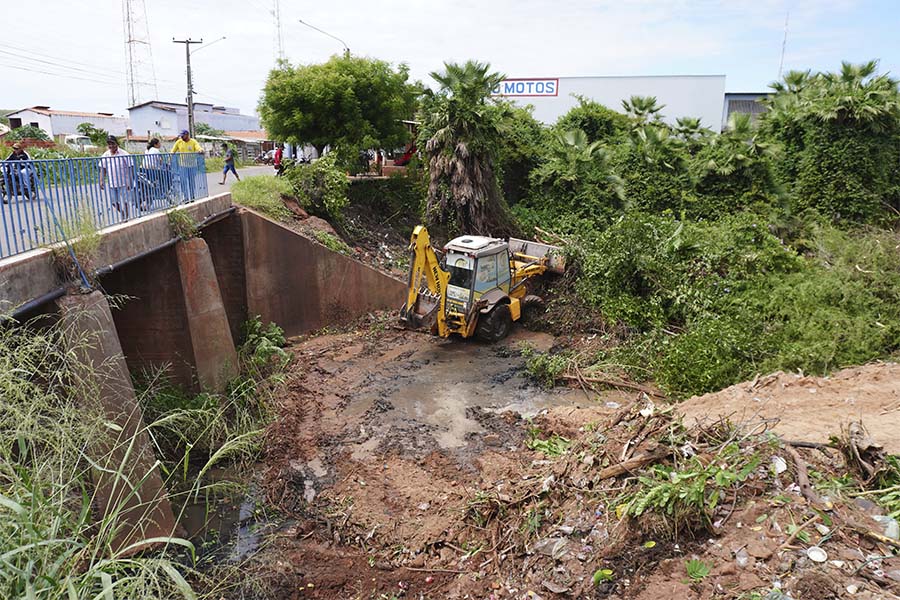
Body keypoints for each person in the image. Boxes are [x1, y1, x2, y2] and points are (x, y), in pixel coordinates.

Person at [99, 135, 134, 218]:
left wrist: (130, 180)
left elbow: (130, 167)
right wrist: (101, 180)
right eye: (109, 144)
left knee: (125, 201)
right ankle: (122, 213)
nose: (111, 146)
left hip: (123, 182)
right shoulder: (105, 155)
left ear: (116, 144)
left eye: (112, 143)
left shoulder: (124, 154)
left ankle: (126, 217)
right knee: (113, 202)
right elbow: (103, 168)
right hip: (112, 182)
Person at [172, 129, 203, 200]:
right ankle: (185, 197)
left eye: (183, 135)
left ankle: (192, 196)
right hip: (182, 166)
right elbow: (172, 151)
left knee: (191, 182)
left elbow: (198, 147)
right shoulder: (179, 142)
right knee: (183, 182)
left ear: (187, 135)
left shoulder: (193, 141)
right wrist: (169, 159)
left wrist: (200, 150)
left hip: (192, 166)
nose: (182, 137)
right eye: (181, 136)